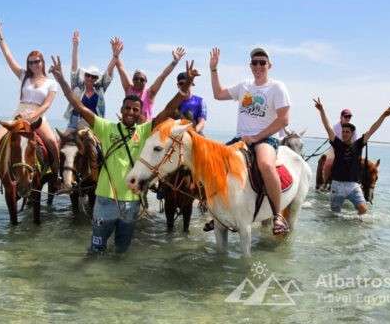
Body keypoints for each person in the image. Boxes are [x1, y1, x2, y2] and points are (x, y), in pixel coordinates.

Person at [49, 54, 197, 254]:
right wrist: (61, 81)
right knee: (96, 250)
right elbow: (79, 106)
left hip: (131, 204)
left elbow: (168, 110)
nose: (130, 112)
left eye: (135, 109)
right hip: (103, 202)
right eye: (127, 108)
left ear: (139, 113)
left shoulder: (144, 131)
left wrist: (184, 89)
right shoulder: (106, 128)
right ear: (121, 109)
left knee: (122, 251)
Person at [207, 47, 291, 235]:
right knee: (212, 162)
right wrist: (213, 69)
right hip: (241, 139)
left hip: (266, 139)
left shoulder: (277, 87)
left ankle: (278, 215)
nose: (258, 65)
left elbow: (284, 120)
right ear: (250, 65)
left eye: (262, 62)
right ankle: (218, 212)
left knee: (265, 165)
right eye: (255, 62)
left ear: (269, 65)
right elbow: (218, 94)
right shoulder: (244, 85)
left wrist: (257, 137)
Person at [0, 18, 59, 196]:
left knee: (53, 145)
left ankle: (56, 178)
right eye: (31, 62)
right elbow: (9, 57)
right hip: (18, 115)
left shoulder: (51, 83)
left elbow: (47, 104)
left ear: (42, 62)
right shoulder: (23, 75)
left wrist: (32, 117)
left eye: (37, 61)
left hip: (38, 117)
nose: (34, 65)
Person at [314, 97, 390, 214]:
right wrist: (321, 110)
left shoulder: (357, 145)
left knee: (363, 209)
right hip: (337, 186)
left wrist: (383, 116)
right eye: (343, 132)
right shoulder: (337, 144)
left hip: (353, 186)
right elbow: (327, 127)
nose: (344, 134)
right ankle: (325, 183)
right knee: (334, 215)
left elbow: (372, 130)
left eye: (347, 132)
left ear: (352, 134)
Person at [62, 31, 123, 134]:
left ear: (96, 79)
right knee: (61, 143)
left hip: (95, 123)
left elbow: (108, 73)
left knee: (104, 147)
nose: (90, 78)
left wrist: (115, 56)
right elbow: (74, 68)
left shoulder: (100, 88)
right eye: (88, 75)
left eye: (93, 76)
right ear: (84, 76)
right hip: (75, 123)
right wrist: (75, 45)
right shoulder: (78, 86)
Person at [115, 47, 186, 123]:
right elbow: (120, 68)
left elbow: (163, 76)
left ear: (146, 81)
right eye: (136, 79)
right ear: (132, 80)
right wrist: (116, 55)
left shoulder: (150, 93)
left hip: (144, 129)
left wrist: (174, 62)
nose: (139, 81)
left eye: (142, 79)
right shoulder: (129, 89)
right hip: (128, 125)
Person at [320, 109, 358, 191]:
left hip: (348, 148)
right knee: (328, 164)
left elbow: (355, 142)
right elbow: (332, 138)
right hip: (335, 148)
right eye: (346, 116)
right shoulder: (336, 127)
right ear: (341, 117)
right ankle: (325, 182)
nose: (348, 118)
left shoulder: (352, 128)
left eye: (349, 117)